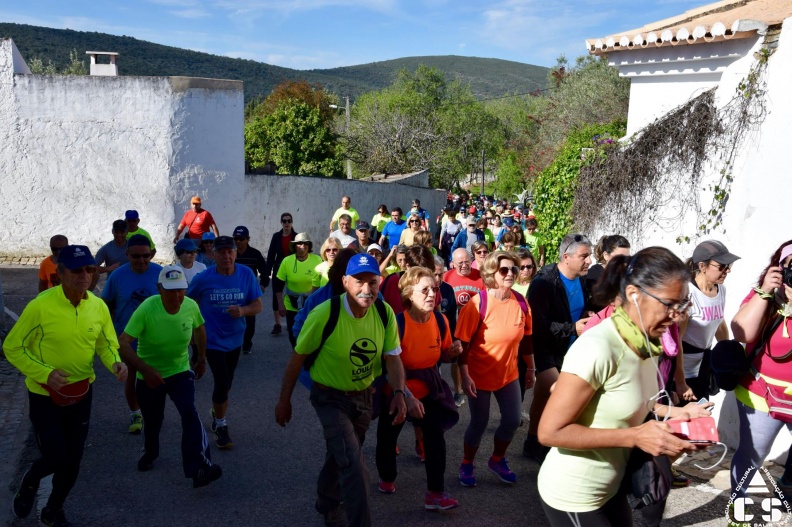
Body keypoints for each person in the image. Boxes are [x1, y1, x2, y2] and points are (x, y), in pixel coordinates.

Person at [537, 247, 699, 527]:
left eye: (683, 305)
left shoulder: (647, 342)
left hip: (611, 489)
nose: (677, 316)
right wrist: (636, 436)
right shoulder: (599, 346)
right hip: (575, 496)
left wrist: (678, 417)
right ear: (635, 294)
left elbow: (630, 401)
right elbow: (550, 431)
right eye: (670, 304)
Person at [275, 253, 408, 527]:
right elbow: (297, 358)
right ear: (345, 281)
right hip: (328, 396)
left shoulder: (384, 314)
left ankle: (326, 500)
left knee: (342, 454)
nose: (366, 289)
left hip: (363, 396)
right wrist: (284, 401)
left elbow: (393, 357)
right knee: (355, 466)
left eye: (372, 282)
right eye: (358, 282)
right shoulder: (323, 311)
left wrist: (398, 393)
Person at [7, 245, 127, 527]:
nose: (85, 275)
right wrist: (44, 373)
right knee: (55, 455)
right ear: (59, 274)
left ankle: (54, 509)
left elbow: (106, 343)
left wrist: (115, 364)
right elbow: (12, 347)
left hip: (82, 392)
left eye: (89, 269)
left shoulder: (97, 306)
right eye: (76, 270)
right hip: (44, 394)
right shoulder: (40, 306)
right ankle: (30, 482)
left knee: (73, 460)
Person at [117, 266, 222, 487]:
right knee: (154, 421)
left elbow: (200, 328)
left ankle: (200, 467)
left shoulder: (190, 305)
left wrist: (201, 358)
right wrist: (145, 369)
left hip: (180, 371)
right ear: (159, 289)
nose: (176, 296)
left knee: (189, 413)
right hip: (149, 376)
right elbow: (123, 343)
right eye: (170, 291)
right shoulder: (147, 308)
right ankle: (151, 452)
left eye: (180, 290)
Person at [375, 267, 462, 510]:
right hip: (397, 389)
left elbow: (442, 356)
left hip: (428, 387)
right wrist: (406, 397)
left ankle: (435, 493)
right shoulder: (397, 322)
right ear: (409, 294)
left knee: (435, 437)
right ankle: (387, 477)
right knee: (387, 437)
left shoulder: (441, 320)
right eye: (424, 290)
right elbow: (390, 364)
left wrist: (452, 353)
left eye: (434, 289)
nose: (432, 294)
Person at [456, 251, 534, 487]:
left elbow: (527, 339)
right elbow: (463, 346)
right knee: (479, 423)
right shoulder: (477, 304)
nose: (510, 273)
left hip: (508, 374)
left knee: (512, 421)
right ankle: (467, 462)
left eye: (514, 269)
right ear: (491, 273)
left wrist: (530, 369)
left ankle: (497, 459)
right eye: (504, 270)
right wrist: (465, 376)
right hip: (478, 375)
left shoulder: (521, 302)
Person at [187, 235, 263, 449]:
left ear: (235, 253)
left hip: (235, 339)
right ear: (214, 254)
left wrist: (243, 311)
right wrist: (192, 330)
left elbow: (258, 305)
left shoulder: (246, 274)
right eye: (221, 252)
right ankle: (221, 425)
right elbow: (188, 302)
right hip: (211, 340)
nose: (226, 256)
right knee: (221, 383)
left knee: (227, 383)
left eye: (230, 251)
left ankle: (216, 409)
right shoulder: (203, 278)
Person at [730, 240, 792, 501]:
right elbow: (741, 332)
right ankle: (739, 506)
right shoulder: (765, 296)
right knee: (752, 456)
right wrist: (767, 291)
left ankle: (787, 485)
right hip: (762, 395)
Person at [524, 233, 593, 462]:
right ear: (566, 256)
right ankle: (542, 441)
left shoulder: (582, 279)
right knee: (556, 393)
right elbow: (537, 324)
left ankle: (534, 441)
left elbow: (578, 308)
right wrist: (573, 328)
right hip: (544, 348)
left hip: (571, 348)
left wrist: (587, 315)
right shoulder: (544, 282)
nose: (589, 261)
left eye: (589, 256)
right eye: (584, 256)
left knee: (545, 396)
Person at [102, 234, 163, 434]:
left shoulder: (160, 273)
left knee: (154, 378)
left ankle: (152, 413)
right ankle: (134, 413)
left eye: (146, 256)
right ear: (127, 254)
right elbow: (105, 307)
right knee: (132, 378)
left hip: (155, 340)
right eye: (136, 256)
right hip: (127, 340)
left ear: (152, 254)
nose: (141, 260)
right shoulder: (117, 276)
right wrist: (108, 336)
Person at [677, 240, 739, 401]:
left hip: (704, 367)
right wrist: (680, 381)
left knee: (702, 414)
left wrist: (727, 357)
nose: (727, 271)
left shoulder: (721, 290)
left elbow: (718, 323)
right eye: (722, 266)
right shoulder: (688, 294)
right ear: (703, 267)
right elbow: (676, 341)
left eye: (729, 266)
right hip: (684, 371)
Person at [444, 247, 484, 406]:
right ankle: (458, 391)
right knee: (456, 358)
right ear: (453, 263)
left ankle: (477, 385)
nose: (464, 265)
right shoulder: (447, 277)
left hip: (475, 324)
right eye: (460, 263)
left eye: (467, 262)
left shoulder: (480, 277)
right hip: (455, 324)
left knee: (476, 356)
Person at [277, 233, 323, 348]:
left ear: (309, 245)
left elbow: (323, 282)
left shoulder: (317, 260)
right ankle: (296, 356)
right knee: (293, 335)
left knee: (310, 333)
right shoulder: (287, 261)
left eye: (306, 243)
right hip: (291, 304)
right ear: (294, 246)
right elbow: (278, 286)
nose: (303, 245)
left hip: (311, 304)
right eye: (299, 243)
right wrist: (280, 304)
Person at [232, 226, 268, 354]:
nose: (238, 241)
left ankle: (247, 343)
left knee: (249, 320)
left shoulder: (255, 254)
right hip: (232, 291)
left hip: (249, 292)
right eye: (235, 238)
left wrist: (263, 285)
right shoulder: (230, 253)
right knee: (232, 318)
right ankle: (234, 344)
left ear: (248, 239)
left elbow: (264, 272)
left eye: (241, 239)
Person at [263, 212, 298, 336]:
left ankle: (292, 322)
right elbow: (271, 255)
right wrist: (267, 273)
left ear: (292, 222)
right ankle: (277, 324)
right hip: (279, 269)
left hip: (293, 269)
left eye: (289, 221)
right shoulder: (276, 236)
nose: (287, 223)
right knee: (276, 295)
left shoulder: (297, 236)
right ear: (281, 223)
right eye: (284, 221)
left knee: (292, 294)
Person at [586, 234, 631, 306]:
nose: (624, 262)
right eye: (619, 258)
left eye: (627, 258)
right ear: (606, 256)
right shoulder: (593, 276)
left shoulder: (627, 275)